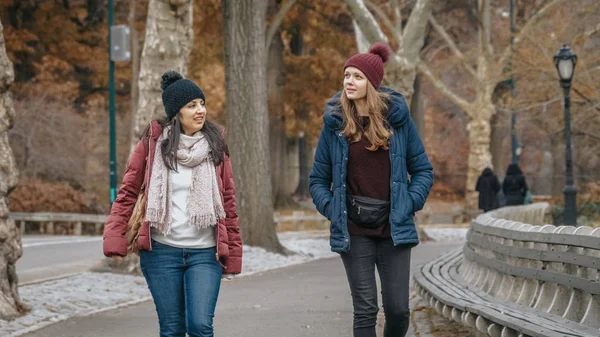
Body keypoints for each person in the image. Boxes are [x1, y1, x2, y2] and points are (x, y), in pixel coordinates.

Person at [103, 71, 242, 337]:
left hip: (205, 253)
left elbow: (228, 204)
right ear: (176, 112)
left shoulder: (215, 146)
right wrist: (114, 236)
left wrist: (233, 252)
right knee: (172, 329)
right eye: (192, 105)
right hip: (161, 253)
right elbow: (128, 193)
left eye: (201, 103)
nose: (200, 110)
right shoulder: (152, 146)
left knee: (200, 326)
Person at [309, 43, 433, 337]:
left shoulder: (399, 123)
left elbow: (423, 171)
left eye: (357, 77)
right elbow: (317, 180)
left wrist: (408, 203)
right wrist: (333, 209)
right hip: (354, 231)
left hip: (394, 229)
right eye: (347, 75)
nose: (349, 82)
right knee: (365, 310)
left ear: (372, 84)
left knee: (399, 310)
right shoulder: (335, 126)